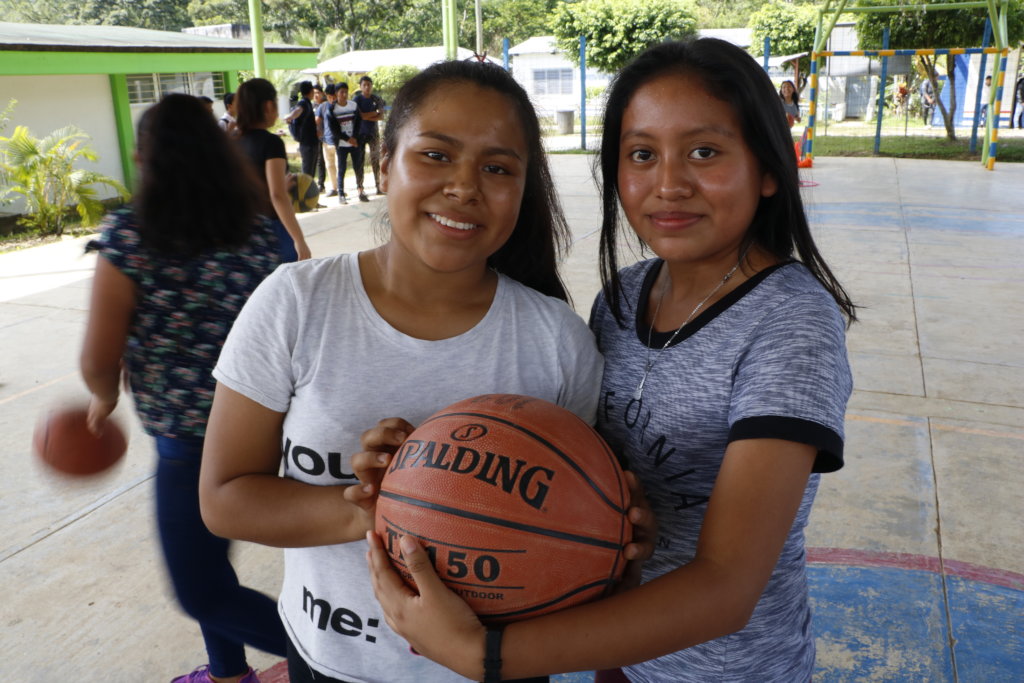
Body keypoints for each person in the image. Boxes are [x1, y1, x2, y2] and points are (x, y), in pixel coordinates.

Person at [361, 38, 857, 682]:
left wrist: (485, 654)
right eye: (642, 155)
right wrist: (422, 462)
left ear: (767, 169)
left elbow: (728, 587)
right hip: (613, 656)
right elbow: (578, 471)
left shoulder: (791, 321)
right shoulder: (624, 298)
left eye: (704, 152)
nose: (669, 184)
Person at [199, 60, 633, 683]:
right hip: (332, 660)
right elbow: (224, 499)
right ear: (384, 166)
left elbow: (579, 519)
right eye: (435, 155)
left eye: (498, 168)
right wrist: (381, 505)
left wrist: (616, 529)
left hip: (493, 666)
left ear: (524, 190)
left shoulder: (557, 341)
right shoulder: (296, 302)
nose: (464, 186)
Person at [79, 93, 288, 683]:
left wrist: (104, 396)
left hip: (192, 443)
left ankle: (326, 653)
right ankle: (227, 672)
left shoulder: (132, 235)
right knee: (213, 570)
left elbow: (98, 357)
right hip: (271, 426)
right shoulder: (256, 230)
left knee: (199, 590)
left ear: (144, 159)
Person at [235, 77, 312, 262]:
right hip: (271, 229)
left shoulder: (232, 141)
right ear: (269, 106)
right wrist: (299, 240)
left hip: (242, 230)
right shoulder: (271, 143)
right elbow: (277, 195)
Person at [352, 75, 386, 202]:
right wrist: (374, 113)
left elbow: (381, 116)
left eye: (369, 85)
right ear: (360, 87)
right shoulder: (357, 100)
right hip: (360, 134)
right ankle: (360, 188)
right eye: (364, 85)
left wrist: (368, 115)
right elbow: (360, 116)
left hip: (373, 133)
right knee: (359, 161)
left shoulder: (376, 99)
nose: (367, 87)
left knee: (375, 160)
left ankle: (378, 185)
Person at [284, 80, 320, 180]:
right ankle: (305, 189)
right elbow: (298, 111)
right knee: (307, 173)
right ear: (311, 91)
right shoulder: (304, 103)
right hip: (307, 144)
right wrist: (290, 117)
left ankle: (308, 188)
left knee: (310, 173)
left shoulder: (307, 103)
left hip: (310, 143)